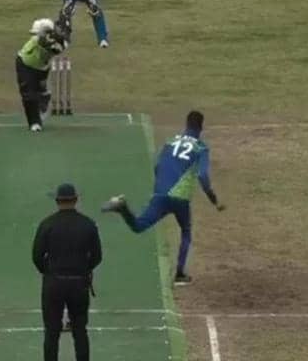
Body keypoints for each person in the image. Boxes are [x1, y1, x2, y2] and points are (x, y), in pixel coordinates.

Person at [101, 111, 224, 284]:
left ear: (186, 124)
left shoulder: (170, 141)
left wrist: (161, 186)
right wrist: (214, 199)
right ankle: (180, 274)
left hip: (160, 194)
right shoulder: (201, 148)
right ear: (201, 127)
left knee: (138, 226)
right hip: (180, 198)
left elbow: (157, 165)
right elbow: (203, 176)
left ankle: (122, 208)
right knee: (186, 232)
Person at [33, 183, 102, 361]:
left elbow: (37, 256)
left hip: (54, 283)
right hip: (79, 282)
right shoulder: (88, 225)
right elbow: (97, 256)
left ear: (57, 201)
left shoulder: (47, 224)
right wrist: (85, 269)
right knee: (80, 331)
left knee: (51, 332)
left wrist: (48, 271)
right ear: (76, 200)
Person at [16, 18, 66, 131]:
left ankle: (43, 97)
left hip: (42, 67)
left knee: (40, 92)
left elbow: (58, 47)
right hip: (25, 64)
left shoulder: (53, 40)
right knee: (28, 95)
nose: (35, 35)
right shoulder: (38, 40)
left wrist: (60, 39)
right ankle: (34, 122)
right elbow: (44, 43)